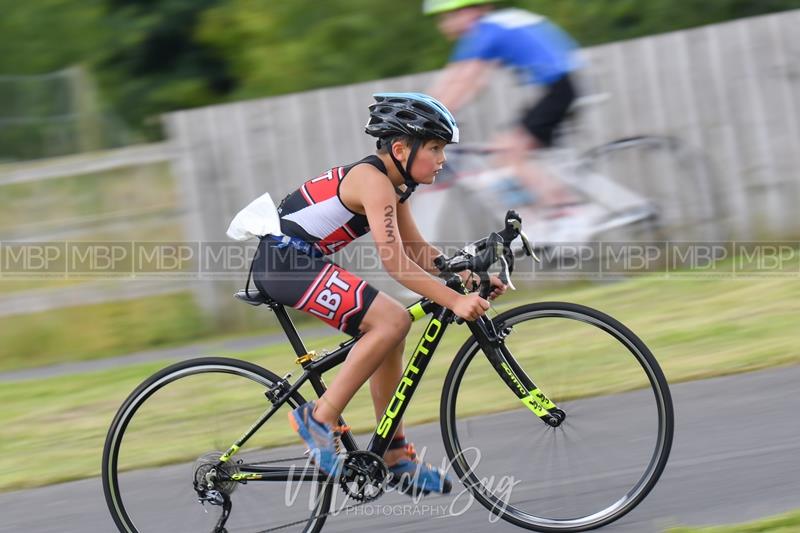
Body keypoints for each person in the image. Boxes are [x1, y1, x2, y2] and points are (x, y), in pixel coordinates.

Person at [250, 92, 506, 495]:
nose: (442, 160)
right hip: (286, 265)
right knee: (392, 320)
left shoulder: (394, 184)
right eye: (435, 148)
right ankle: (318, 418)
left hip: (299, 262)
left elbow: (418, 252)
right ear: (402, 148)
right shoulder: (374, 183)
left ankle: (395, 455)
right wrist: (453, 300)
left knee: (391, 333)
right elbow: (395, 263)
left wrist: (466, 279)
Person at [424, 0, 588, 224]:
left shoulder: (485, 32)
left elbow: (464, 80)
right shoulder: (494, 25)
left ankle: (567, 213)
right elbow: (459, 78)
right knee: (503, 149)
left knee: (509, 152)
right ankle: (547, 216)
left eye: (447, 17)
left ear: (469, 11)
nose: (443, 25)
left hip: (560, 88)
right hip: (560, 84)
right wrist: (424, 107)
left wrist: (429, 116)